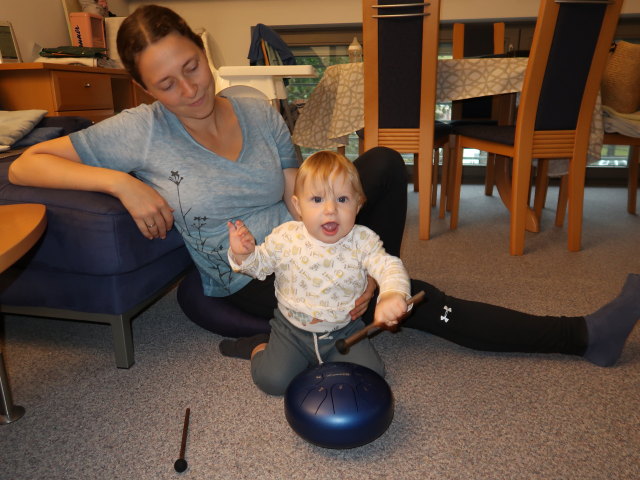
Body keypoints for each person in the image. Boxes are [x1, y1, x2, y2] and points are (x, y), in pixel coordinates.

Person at [8, 5, 639, 371]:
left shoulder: (255, 109)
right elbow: (23, 166)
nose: (189, 90)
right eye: (166, 84)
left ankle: (373, 278)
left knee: (387, 161)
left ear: (202, 50)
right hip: (253, 271)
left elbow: (293, 193)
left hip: (304, 242)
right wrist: (122, 183)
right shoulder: (136, 132)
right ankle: (581, 337)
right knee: (425, 303)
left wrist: (350, 257)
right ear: (145, 90)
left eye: (192, 67)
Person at [227, 151, 411, 395]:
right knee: (272, 381)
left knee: (373, 376)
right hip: (291, 330)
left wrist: (392, 294)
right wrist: (244, 255)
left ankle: (325, 360)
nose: (330, 210)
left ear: (358, 203)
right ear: (297, 205)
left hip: (344, 329)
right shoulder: (285, 237)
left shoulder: (363, 240)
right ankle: (259, 347)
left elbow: (389, 266)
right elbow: (258, 266)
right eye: (316, 199)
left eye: (343, 199)